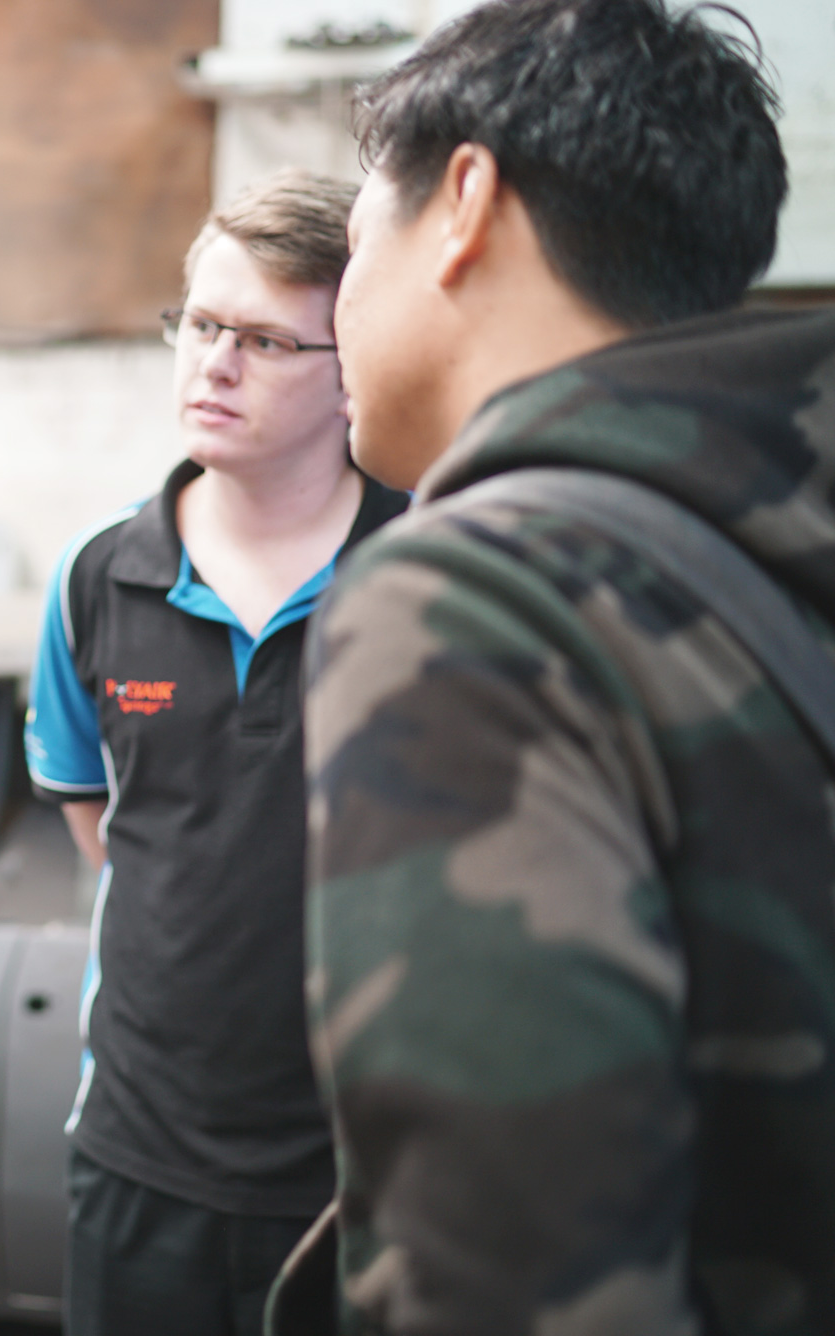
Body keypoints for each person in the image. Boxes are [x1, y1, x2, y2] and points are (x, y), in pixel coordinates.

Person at [286, 0, 832, 1330]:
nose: (337, 312)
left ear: (464, 203)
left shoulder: (476, 595)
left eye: (353, 248)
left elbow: (517, 1271)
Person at [23, 171, 408, 1336]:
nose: (213, 365)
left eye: (262, 339)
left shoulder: (432, 572)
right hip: (138, 1160)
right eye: (198, 325)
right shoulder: (96, 577)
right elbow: (105, 830)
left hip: (367, 1170)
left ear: (350, 366)